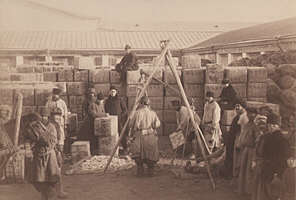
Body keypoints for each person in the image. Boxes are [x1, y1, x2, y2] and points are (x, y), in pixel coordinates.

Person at [252, 113, 290, 200]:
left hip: (271, 172)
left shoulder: (277, 139)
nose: (268, 127)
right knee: (271, 195)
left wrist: (277, 174)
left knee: (269, 194)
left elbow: (282, 159)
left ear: (273, 126)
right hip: (272, 171)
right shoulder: (280, 139)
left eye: (268, 125)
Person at [24, 112, 60, 200]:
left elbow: (51, 140)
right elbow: (28, 138)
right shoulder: (31, 128)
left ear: (48, 117)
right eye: (42, 116)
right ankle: (45, 195)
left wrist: (40, 141)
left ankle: (50, 195)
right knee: (39, 179)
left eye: (45, 116)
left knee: (51, 178)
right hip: (39, 155)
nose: (44, 118)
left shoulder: (51, 126)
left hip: (49, 155)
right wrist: (28, 146)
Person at [128, 96, 161, 177]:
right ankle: (151, 171)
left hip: (140, 135)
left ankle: (140, 171)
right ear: (148, 104)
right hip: (150, 135)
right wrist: (153, 125)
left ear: (141, 104)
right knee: (151, 154)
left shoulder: (137, 113)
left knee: (138, 154)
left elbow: (130, 125)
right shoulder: (152, 113)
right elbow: (158, 124)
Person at [237, 107, 259, 196]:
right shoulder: (247, 124)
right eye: (248, 113)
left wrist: (255, 154)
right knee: (243, 169)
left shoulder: (255, 126)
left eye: (251, 113)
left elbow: (257, 140)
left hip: (252, 150)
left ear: (255, 115)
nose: (249, 115)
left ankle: (249, 191)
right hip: (245, 149)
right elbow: (242, 136)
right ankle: (242, 190)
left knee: (249, 171)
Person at [222, 102, 245, 179]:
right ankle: (229, 173)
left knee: (235, 158)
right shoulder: (237, 117)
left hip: (237, 139)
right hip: (232, 139)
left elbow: (242, 131)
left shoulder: (244, 117)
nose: (237, 108)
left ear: (243, 107)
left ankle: (233, 174)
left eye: (239, 106)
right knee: (230, 156)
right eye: (236, 106)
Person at [79, 90, 107, 155]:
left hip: (98, 124)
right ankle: (92, 151)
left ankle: (97, 150)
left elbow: (103, 112)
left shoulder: (102, 104)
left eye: (102, 101)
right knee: (91, 138)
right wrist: (104, 115)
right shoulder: (92, 105)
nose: (101, 102)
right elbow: (94, 115)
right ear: (98, 100)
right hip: (90, 124)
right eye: (100, 101)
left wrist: (104, 114)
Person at [105, 85, 128, 154]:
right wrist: (107, 114)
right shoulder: (107, 101)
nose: (112, 93)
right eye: (111, 91)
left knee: (121, 134)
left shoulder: (120, 100)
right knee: (110, 135)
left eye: (114, 91)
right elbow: (106, 110)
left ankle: (125, 148)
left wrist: (121, 116)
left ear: (116, 92)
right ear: (109, 92)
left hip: (119, 120)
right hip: (110, 121)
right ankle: (111, 149)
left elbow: (125, 110)